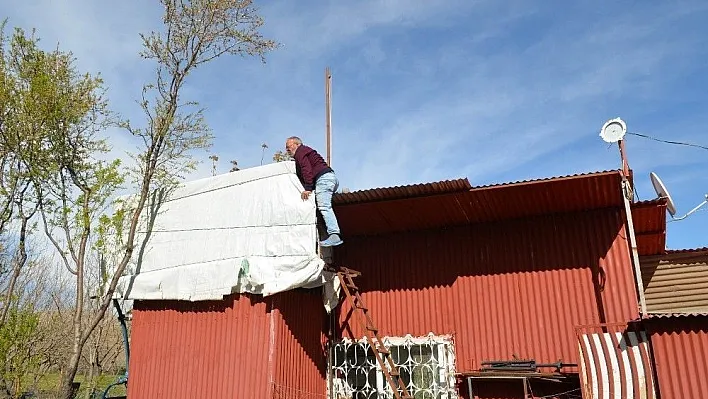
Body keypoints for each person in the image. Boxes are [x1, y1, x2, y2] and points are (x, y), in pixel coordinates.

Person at [285, 136, 343, 247]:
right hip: (331, 178)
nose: (287, 149)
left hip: (324, 179)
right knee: (321, 204)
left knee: (324, 206)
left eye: (289, 146)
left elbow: (307, 169)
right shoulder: (305, 152)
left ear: (297, 144)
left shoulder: (300, 152)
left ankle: (334, 234)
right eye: (286, 147)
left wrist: (308, 189)